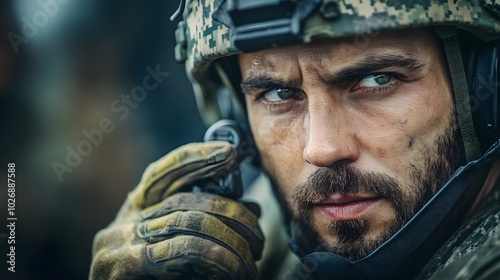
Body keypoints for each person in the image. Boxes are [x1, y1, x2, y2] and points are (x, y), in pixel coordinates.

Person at [90, 0, 500, 279]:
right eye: (279, 94)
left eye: (377, 79)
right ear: (237, 117)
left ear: (488, 88)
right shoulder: (251, 240)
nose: (320, 149)